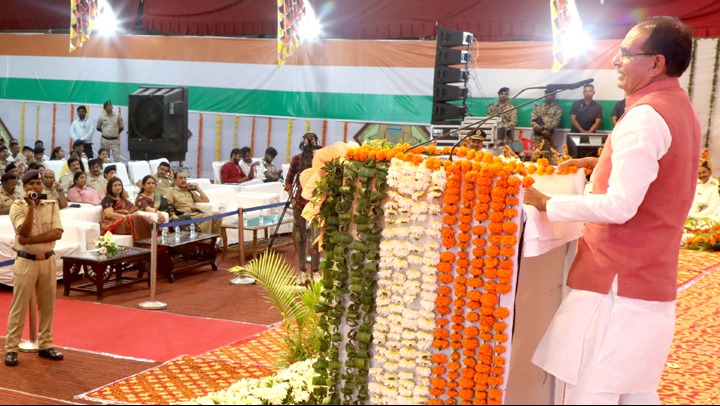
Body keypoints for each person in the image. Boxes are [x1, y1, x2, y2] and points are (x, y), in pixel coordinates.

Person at [523, 16, 699, 404]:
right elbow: (660, 172)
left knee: (594, 392)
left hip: (617, 282)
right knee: (634, 391)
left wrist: (548, 203)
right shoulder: (677, 106)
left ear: (656, 63)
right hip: (649, 274)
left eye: (624, 54)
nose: (615, 62)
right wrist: (598, 164)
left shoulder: (645, 116)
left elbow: (620, 206)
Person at [4, 169, 64, 367]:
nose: (35, 187)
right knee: (19, 306)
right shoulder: (17, 206)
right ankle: (11, 348)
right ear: (24, 187)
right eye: (31, 185)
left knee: (47, 306)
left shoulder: (51, 204)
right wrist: (30, 207)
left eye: (38, 184)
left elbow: (57, 233)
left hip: (48, 260)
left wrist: (31, 240)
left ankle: (46, 344)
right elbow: (23, 231)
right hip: (26, 261)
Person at [285, 132, 321, 282]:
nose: (310, 143)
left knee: (315, 237)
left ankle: (316, 270)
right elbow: (288, 181)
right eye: (308, 141)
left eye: (312, 140)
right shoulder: (297, 159)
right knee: (300, 237)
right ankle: (302, 270)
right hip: (299, 202)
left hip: (316, 204)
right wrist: (291, 198)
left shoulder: (321, 160)